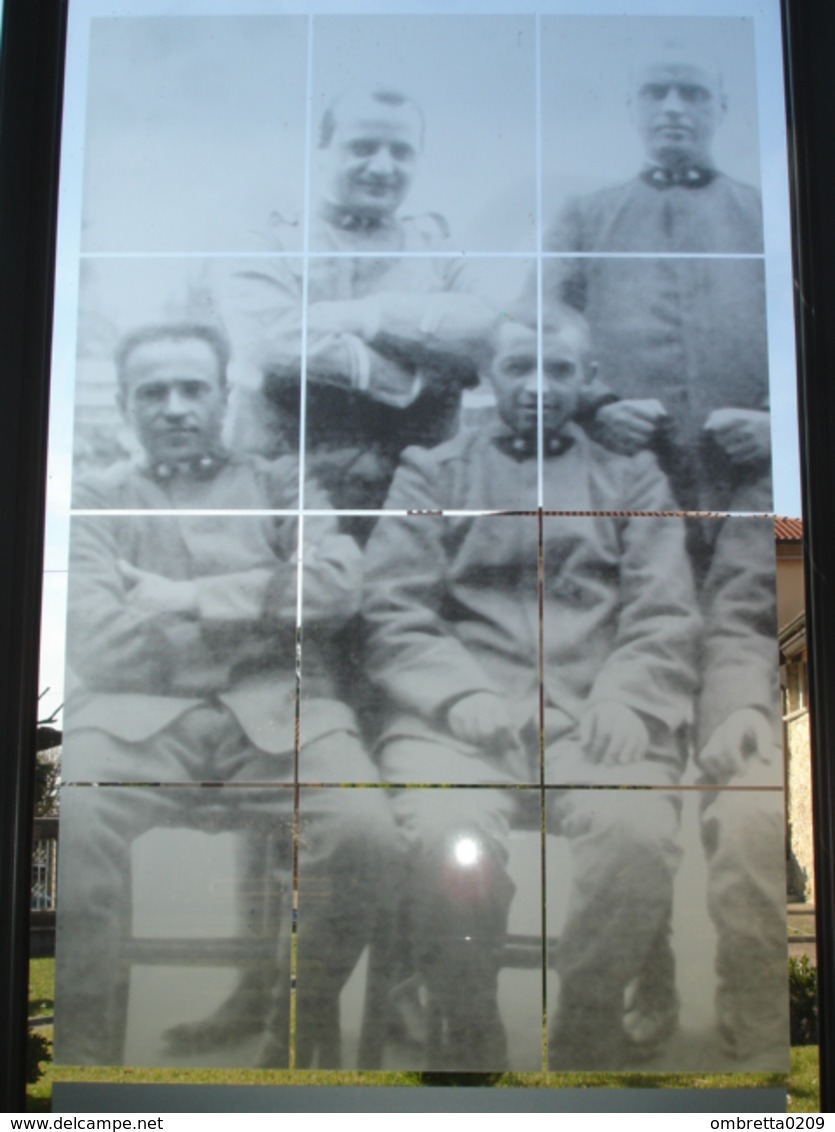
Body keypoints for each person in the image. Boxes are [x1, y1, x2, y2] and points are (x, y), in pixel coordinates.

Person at [362, 302, 699, 1069]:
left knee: (637, 834)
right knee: (450, 840)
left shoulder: (631, 478)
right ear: (489, 376)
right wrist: (456, 695)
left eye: (558, 369)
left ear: (587, 380)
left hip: (595, 719)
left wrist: (628, 697)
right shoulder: (433, 470)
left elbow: (663, 608)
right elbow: (391, 605)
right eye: (519, 367)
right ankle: (470, 1020)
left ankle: (585, 1024)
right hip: (455, 726)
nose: (539, 385)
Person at [55, 323, 399, 1067]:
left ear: (222, 396)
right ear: (124, 404)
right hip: (133, 728)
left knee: (366, 829)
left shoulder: (282, 482)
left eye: (193, 388)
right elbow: (93, 638)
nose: (175, 407)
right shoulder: (96, 496)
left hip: (284, 717)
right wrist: (268, 620)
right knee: (69, 819)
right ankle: (78, 1067)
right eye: (153, 392)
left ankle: (292, 1028)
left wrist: (182, 598)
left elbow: (335, 587)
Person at [218, 85, 494, 528]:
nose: (383, 167)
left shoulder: (440, 249)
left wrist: (363, 317)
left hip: (412, 498)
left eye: (401, 152)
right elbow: (274, 344)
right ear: (322, 150)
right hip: (287, 493)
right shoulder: (266, 242)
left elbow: (490, 330)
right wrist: (416, 371)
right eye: (362, 147)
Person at [544, 44, 769, 512]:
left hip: (754, 476)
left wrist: (781, 421)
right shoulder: (585, 216)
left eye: (692, 93)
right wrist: (595, 405)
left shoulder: (773, 216)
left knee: (787, 580)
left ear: (722, 106)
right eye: (654, 93)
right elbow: (534, 327)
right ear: (632, 107)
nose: (672, 107)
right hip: (621, 472)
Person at [694, 480, 789, 1066]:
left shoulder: (756, 499)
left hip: (745, 702)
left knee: (751, 811)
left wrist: (747, 709)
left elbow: (749, 620)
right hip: (700, 700)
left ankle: (757, 1034)